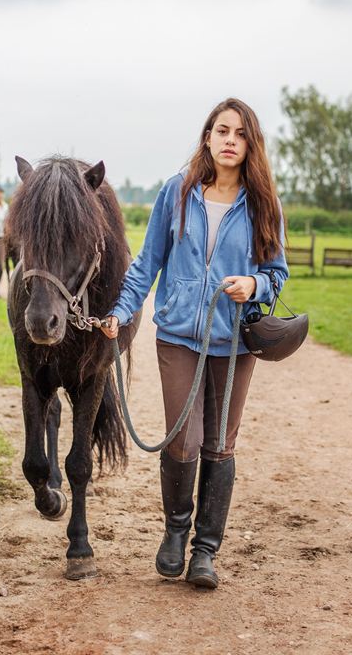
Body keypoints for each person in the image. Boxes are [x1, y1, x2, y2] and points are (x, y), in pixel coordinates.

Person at [101, 97, 289, 589]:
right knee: (182, 440)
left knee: (219, 444)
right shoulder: (176, 192)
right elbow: (147, 263)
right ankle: (174, 533)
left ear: (251, 144)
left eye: (241, 133)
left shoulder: (264, 201)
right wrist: (121, 312)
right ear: (207, 137)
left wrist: (255, 285)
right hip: (179, 336)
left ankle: (206, 550)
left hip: (234, 341)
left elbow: (277, 274)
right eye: (222, 130)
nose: (231, 140)